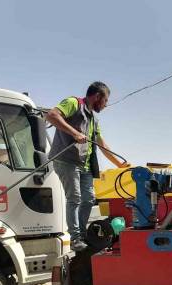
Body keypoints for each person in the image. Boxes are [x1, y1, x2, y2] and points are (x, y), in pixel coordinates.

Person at [47, 82, 127, 252]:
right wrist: (74, 133)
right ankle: (75, 238)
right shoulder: (73, 103)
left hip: (85, 164)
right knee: (74, 197)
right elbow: (52, 115)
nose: (105, 105)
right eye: (105, 101)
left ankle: (82, 235)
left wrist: (120, 164)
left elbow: (102, 144)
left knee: (89, 198)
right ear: (97, 97)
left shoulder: (94, 119)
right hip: (67, 160)